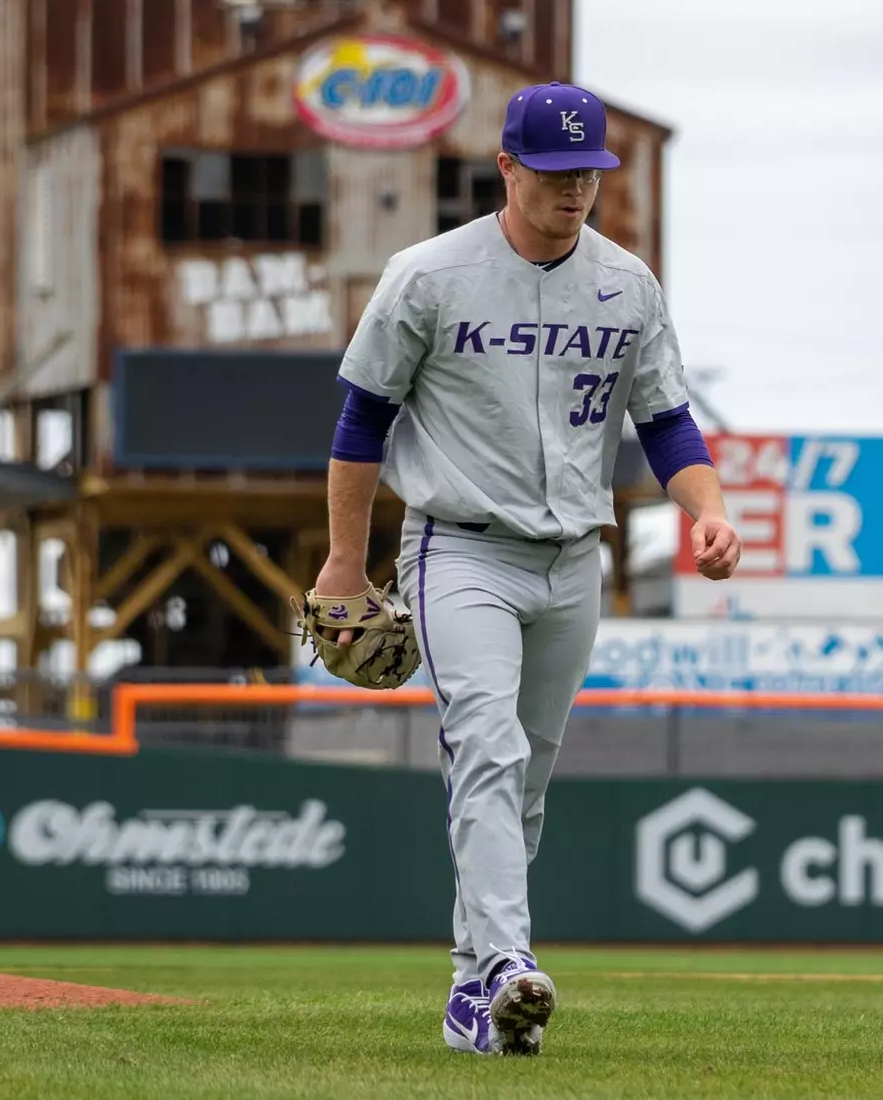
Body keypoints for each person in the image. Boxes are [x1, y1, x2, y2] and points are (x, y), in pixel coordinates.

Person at [314, 81, 741, 1055]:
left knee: (527, 778)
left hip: (573, 558)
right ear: (507, 167)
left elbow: (666, 421)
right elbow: (362, 420)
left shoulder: (626, 281)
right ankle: (509, 960)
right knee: (487, 747)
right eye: (555, 170)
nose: (575, 188)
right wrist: (344, 559)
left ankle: (473, 990)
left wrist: (709, 511)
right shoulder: (429, 275)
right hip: (459, 546)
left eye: (589, 170)